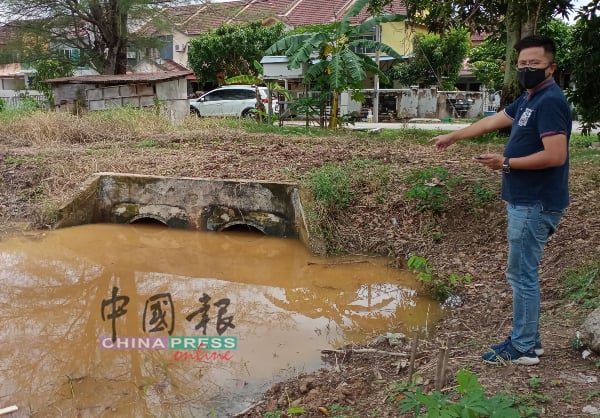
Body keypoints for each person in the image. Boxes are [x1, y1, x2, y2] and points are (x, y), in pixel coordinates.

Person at [430, 35, 571, 365]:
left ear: (550, 68)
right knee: (522, 272)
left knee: (522, 275)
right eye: (522, 64)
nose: (526, 69)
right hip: (526, 200)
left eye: (533, 64)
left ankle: (522, 347)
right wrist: (453, 135)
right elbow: (493, 121)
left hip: (535, 203)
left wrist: (506, 163)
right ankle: (530, 342)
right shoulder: (529, 98)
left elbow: (555, 155)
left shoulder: (550, 101)